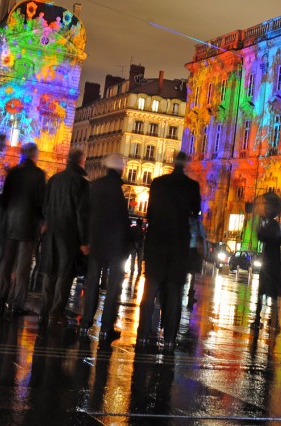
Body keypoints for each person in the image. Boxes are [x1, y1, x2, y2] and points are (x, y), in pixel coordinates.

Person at [136, 151, 201, 352]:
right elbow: (195, 212)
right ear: (186, 164)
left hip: (157, 244)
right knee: (173, 296)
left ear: (173, 163)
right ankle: (170, 339)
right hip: (177, 247)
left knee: (149, 294)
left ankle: (143, 335)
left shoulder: (157, 183)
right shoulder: (192, 186)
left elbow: (150, 213)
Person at [81, 153, 132, 343]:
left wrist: (86, 240)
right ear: (119, 169)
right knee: (112, 288)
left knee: (92, 283)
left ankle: (85, 323)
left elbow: (87, 213)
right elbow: (121, 219)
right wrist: (128, 241)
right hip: (114, 245)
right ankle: (106, 328)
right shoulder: (116, 189)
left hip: (96, 242)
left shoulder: (97, 185)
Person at [0, 143, 46, 316]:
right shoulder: (38, 174)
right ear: (34, 155)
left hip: (11, 223)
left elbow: (4, 198)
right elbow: (41, 201)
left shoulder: (14, 172)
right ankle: (17, 302)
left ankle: (0, 299)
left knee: (6, 263)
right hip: (28, 225)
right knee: (23, 267)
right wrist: (42, 220)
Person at [39, 147, 90, 324]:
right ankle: (56, 311)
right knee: (65, 273)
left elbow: (45, 206)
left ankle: (44, 308)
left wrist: (46, 223)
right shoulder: (81, 183)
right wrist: (84, 241)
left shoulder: (54, 179)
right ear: (81, 161)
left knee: (50, 270)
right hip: (69, 234)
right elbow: (82, 214)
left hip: (52, 230)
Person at [253, 209, 281, 329]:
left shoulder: (268, 227)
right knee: (274, 295)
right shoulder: (277, 227)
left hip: (267, 264)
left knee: (261, 292)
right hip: (275, 265)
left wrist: (259, 227)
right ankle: (275, 322)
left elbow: (261, 236)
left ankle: (257, 319)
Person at [185, 215, 208, 310]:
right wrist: (205, 253)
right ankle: (191, 293)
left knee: (183, 271)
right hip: (194, 251)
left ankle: (180, 288)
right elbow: (203, 238)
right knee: (193, 274)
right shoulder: (198, 225)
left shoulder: (184, 221)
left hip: (185, 250)